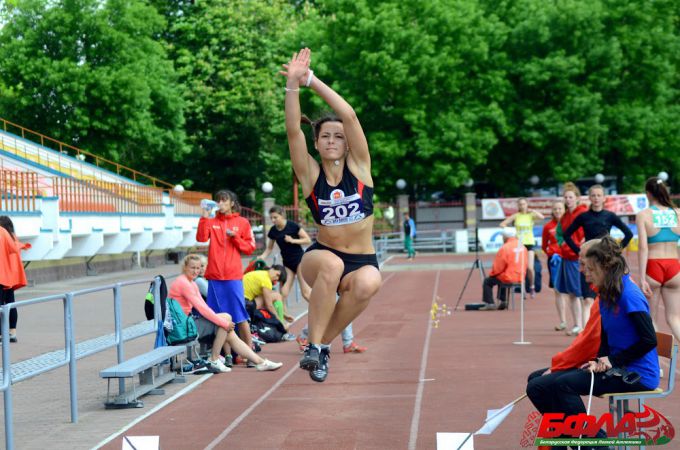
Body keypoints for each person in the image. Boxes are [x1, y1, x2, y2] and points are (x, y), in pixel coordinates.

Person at [282, 47, 382, 382]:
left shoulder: (360, 168)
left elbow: (349, 116)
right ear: (317, 143)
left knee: (370, 282)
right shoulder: (311, 175)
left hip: (362, 260)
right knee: (332, 264)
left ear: (349, 144)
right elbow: (294, 131)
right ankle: (314, 341)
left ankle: (320, 346)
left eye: (338, 136)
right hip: (322, 257)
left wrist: (312, 80)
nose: (332, 140)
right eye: (325, 135)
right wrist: (293, 86)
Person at [529, 237, 658, 449]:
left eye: (590, 268)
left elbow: (649, 339)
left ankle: (594, 443)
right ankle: (573, 442)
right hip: (617, 367)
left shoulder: (629, 295)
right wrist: (599, 360)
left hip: (637, 375)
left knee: (563, 384)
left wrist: (613, 360)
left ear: (604, 267)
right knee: (536, 385)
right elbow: (606, 337)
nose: (584, 272)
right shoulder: (608, 293)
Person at [169, 254, 282, 373]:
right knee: (225, 322)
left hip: (187, 324)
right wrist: (223, 322)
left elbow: (204, 306)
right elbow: (202, 309)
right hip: (182, 329)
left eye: (198, 268)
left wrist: (223, 321)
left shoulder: (191, 282)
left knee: (228, 326)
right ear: (185, 267)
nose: (196, 271)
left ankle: (260, 362)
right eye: (193, 268)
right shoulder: (184, 283)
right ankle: (214, 358)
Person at [564, 184, 634, 329]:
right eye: (593, 195)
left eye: (599, 195)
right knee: (587, 300)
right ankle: (585, 333)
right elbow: (566, 235)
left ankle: (603, 332)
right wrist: (579, 251)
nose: (596, 198)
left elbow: (628, 234)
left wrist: (616, 251)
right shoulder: (583, 217)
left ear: (604, 198)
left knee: (606, 300)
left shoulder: (610, 216)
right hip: (589, 264)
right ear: (589, 198)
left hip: (605, 263)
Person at [196, 189, 257, 354]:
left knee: (240, 316)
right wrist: (204, 217)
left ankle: (249, 352)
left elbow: (250, 248)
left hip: (233, 277)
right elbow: (201, 238)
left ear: (232, 203)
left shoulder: (242, 222)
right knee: (219, 317)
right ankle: (228, 355)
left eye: (224, 201)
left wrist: (235, 237)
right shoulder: (211, 220)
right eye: (219, 201)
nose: (221, 204)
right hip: (215, 277)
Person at [636, 176, 680, 342]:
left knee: (651, 320)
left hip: (654, 266)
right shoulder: (677, 213)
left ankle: (656, 367)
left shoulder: (644, 215)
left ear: (648, 194)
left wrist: (641, 278)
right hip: (674, 267)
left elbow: (643, 248)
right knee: (674, 319)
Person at [554, 182, 588, 336]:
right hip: (567, 257)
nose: (568, 200)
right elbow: (559, 233)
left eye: (570, 197)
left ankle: (583, 325)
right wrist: (562, 245)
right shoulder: (565, 216)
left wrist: (581, 246)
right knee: (572, 293)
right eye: (565, 197)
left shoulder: (582, 213)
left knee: (581, 293)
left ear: (577, 198)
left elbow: (586, 232)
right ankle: (577, 324)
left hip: (578, 257)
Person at [260, 205, 312, 303]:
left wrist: (293, 240)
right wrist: (262, 257)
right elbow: (269, 248)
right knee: (283, 291)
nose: (273, 220)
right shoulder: (273, 230)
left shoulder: (292, 225)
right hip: (287, 263)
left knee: (305, 293)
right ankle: (282, 315)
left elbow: (307, 240)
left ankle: (321, 311)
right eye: (271, 218)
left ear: (282, 215)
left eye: (275, 217)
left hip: (299, 261)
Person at [500, 198, 545, 298]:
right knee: (521, 268)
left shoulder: (530, 215)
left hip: (529, 243)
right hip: (519, 244)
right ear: (518, 206)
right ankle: (523, 288)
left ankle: (532, 287)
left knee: (530, 267)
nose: (522, 206)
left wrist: (533, 211)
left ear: (527, 204)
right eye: (520, 204)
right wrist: (511, 232)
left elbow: (542, 217)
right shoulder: (516, 216)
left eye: (524, 204)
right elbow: (502, 224)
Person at [479, 228, 527, 311]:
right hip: (521, 275)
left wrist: (492, 274)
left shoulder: (505, 248)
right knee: (503, 275)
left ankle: (490, 303)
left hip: (509, 276)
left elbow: (498, 267)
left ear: (505, 237)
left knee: (488, 281)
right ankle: (503, 301)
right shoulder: (523, 246)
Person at [0, 216, 31, 343]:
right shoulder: (13, 239)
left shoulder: (3, 235)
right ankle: (12, 332)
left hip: (4, 275)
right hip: (12, 276)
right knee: (11, 303)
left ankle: (2, 334)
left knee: (2, 305)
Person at [542, 201, 567, 331]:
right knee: (558, 291)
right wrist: (552, 254)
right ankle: (563, 321)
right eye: (555, 209)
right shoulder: (548, 226)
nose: (558, 211)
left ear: (564, 210)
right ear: (552, 211)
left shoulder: (569, 223)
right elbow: (543, 245)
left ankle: (579, 323)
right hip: (555, 261)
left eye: (560, 209)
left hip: (569, 259)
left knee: (574, 292)